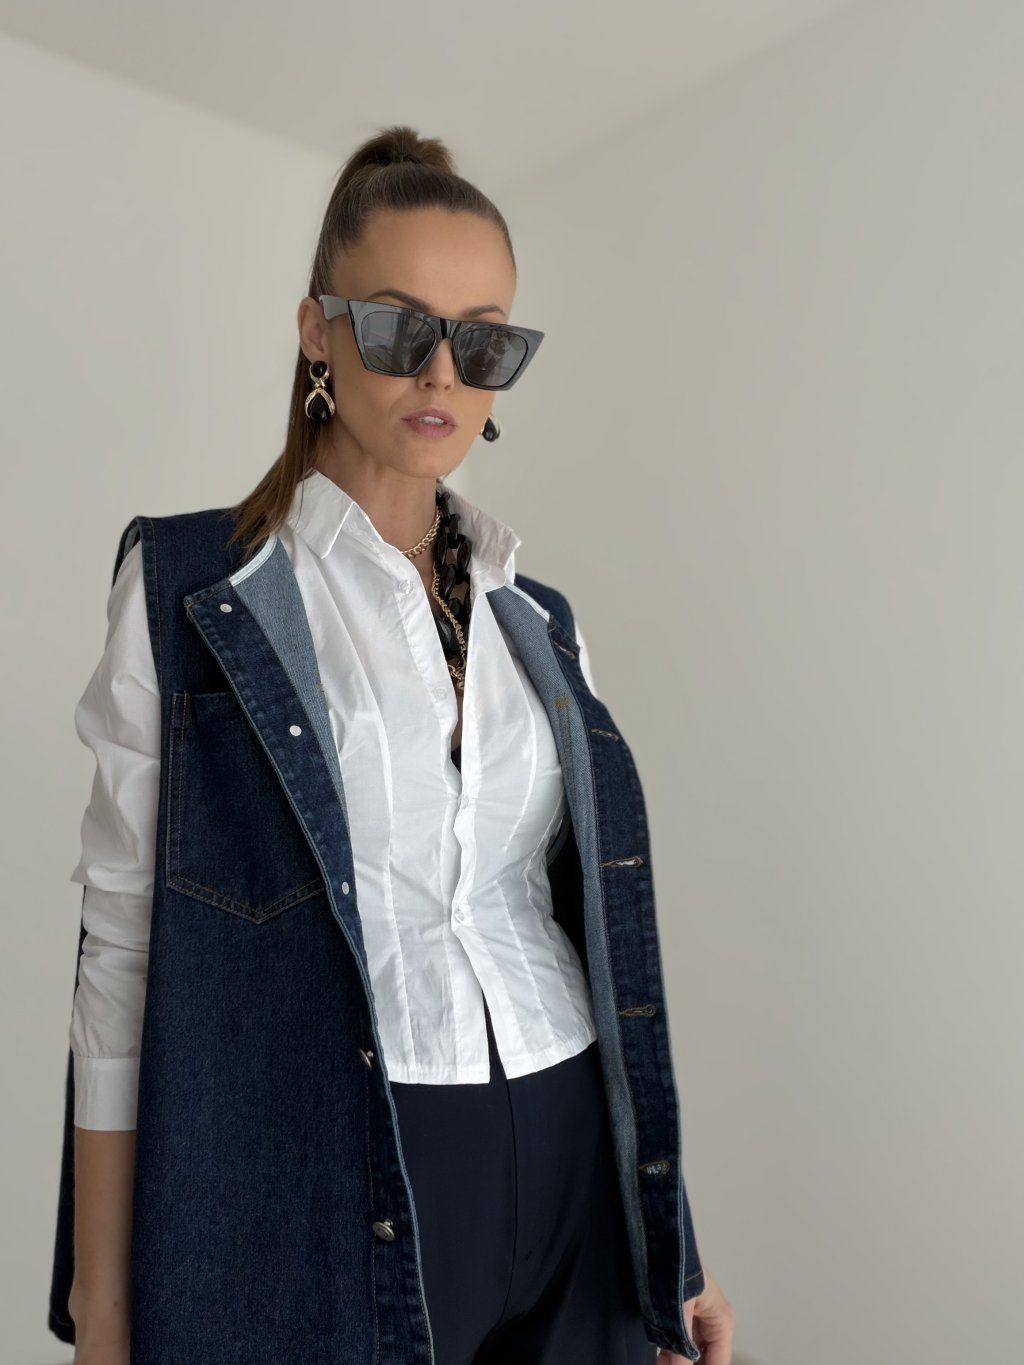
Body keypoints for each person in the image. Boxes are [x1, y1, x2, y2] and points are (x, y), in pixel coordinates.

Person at [50, 123, 734, 1364]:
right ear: (317, 332)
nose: (441, 374)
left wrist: (671, 1244)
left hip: (574, 1163)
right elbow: (121, 957)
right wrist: (104, 1301)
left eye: (483, 341)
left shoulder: (538, 620)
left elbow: (590, 934)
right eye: (397, 329)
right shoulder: (192, 591)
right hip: (334, 1176)